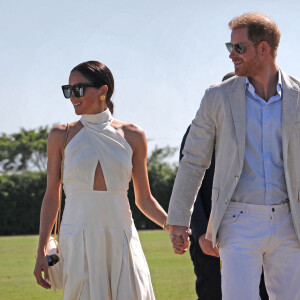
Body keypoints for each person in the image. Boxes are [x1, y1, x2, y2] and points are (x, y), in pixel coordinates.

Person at [168, 12, 300, 300]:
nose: (231, 55)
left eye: (238, 48)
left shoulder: (298, 97)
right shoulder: (217, 97)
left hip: (291, 222)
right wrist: (179, 218)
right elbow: (193, 161)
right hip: (238, 221)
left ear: (263, 49)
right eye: (230, 48)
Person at [34, 60, 169, 300]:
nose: (72, 96)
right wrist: (41, 249)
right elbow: (52, 195)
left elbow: (144, 198)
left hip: (122, 235)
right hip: (77, 238)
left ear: (103, 91)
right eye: (68, 90)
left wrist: (173, 227)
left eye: (79, 89)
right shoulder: (60, 135)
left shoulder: (133, 135)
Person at [180, 72, 268, 300]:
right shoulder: (198, 130)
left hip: (262, 237)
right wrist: (200, 234)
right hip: (210, 242)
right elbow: (191, 186)